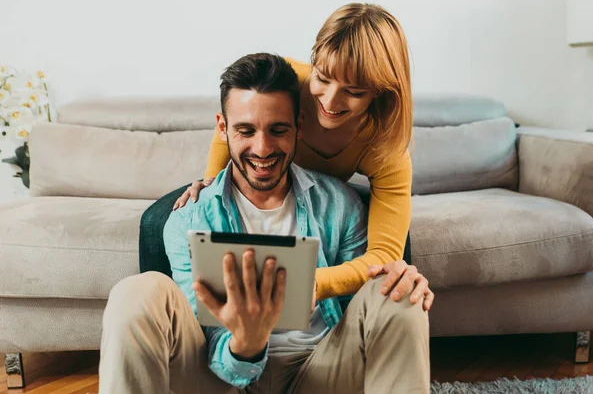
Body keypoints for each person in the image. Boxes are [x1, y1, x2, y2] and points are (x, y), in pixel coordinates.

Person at [100, 53, 429, 394]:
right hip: (223, 377)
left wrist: (398, 282)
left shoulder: (339, 206)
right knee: (134, 292)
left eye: (277, 130)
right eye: (245, 130)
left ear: (299, 127)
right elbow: (206, 335)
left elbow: (362, 316)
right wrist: (247, 344)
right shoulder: (188, 218)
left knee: (400, 294)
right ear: (223, 128)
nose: (262, 149)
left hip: (319, 373)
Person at [140, 2, 435, 309]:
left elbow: (383, 256)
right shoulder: (288, 81)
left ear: (380, 91)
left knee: (397, 258)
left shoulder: (386, 146)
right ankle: (173, 331)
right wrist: (212, 180)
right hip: (264, 177)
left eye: (354, 91)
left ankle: (375, 334)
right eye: (323, 78)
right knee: (157, 221)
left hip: (321, 195)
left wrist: (316, 281)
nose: (330, 101)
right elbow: (237, 119)